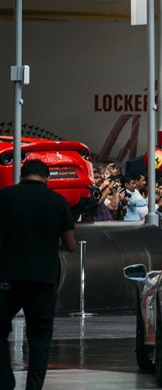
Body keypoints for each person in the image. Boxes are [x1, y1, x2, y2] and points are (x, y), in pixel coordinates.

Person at [0, 160, 77, 390]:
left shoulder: (4, 197)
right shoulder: (57, 201)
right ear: (47, 178)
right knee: (40, 339)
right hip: (43, 279)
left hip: (7, 278)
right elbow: (71, 245)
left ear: (22, 175)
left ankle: (5, 381)